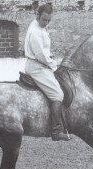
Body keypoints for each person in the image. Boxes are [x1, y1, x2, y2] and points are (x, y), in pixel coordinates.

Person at [24, 4, 70, 141]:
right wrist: (54, 65)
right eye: (44, 20)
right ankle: (56, 131)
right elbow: (40, 55)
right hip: (37, 66)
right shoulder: (35, 32)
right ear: (37, 16)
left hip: (42, 64)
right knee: (57, 95)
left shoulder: (40, 26)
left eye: (49, 20)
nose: (46, 23)